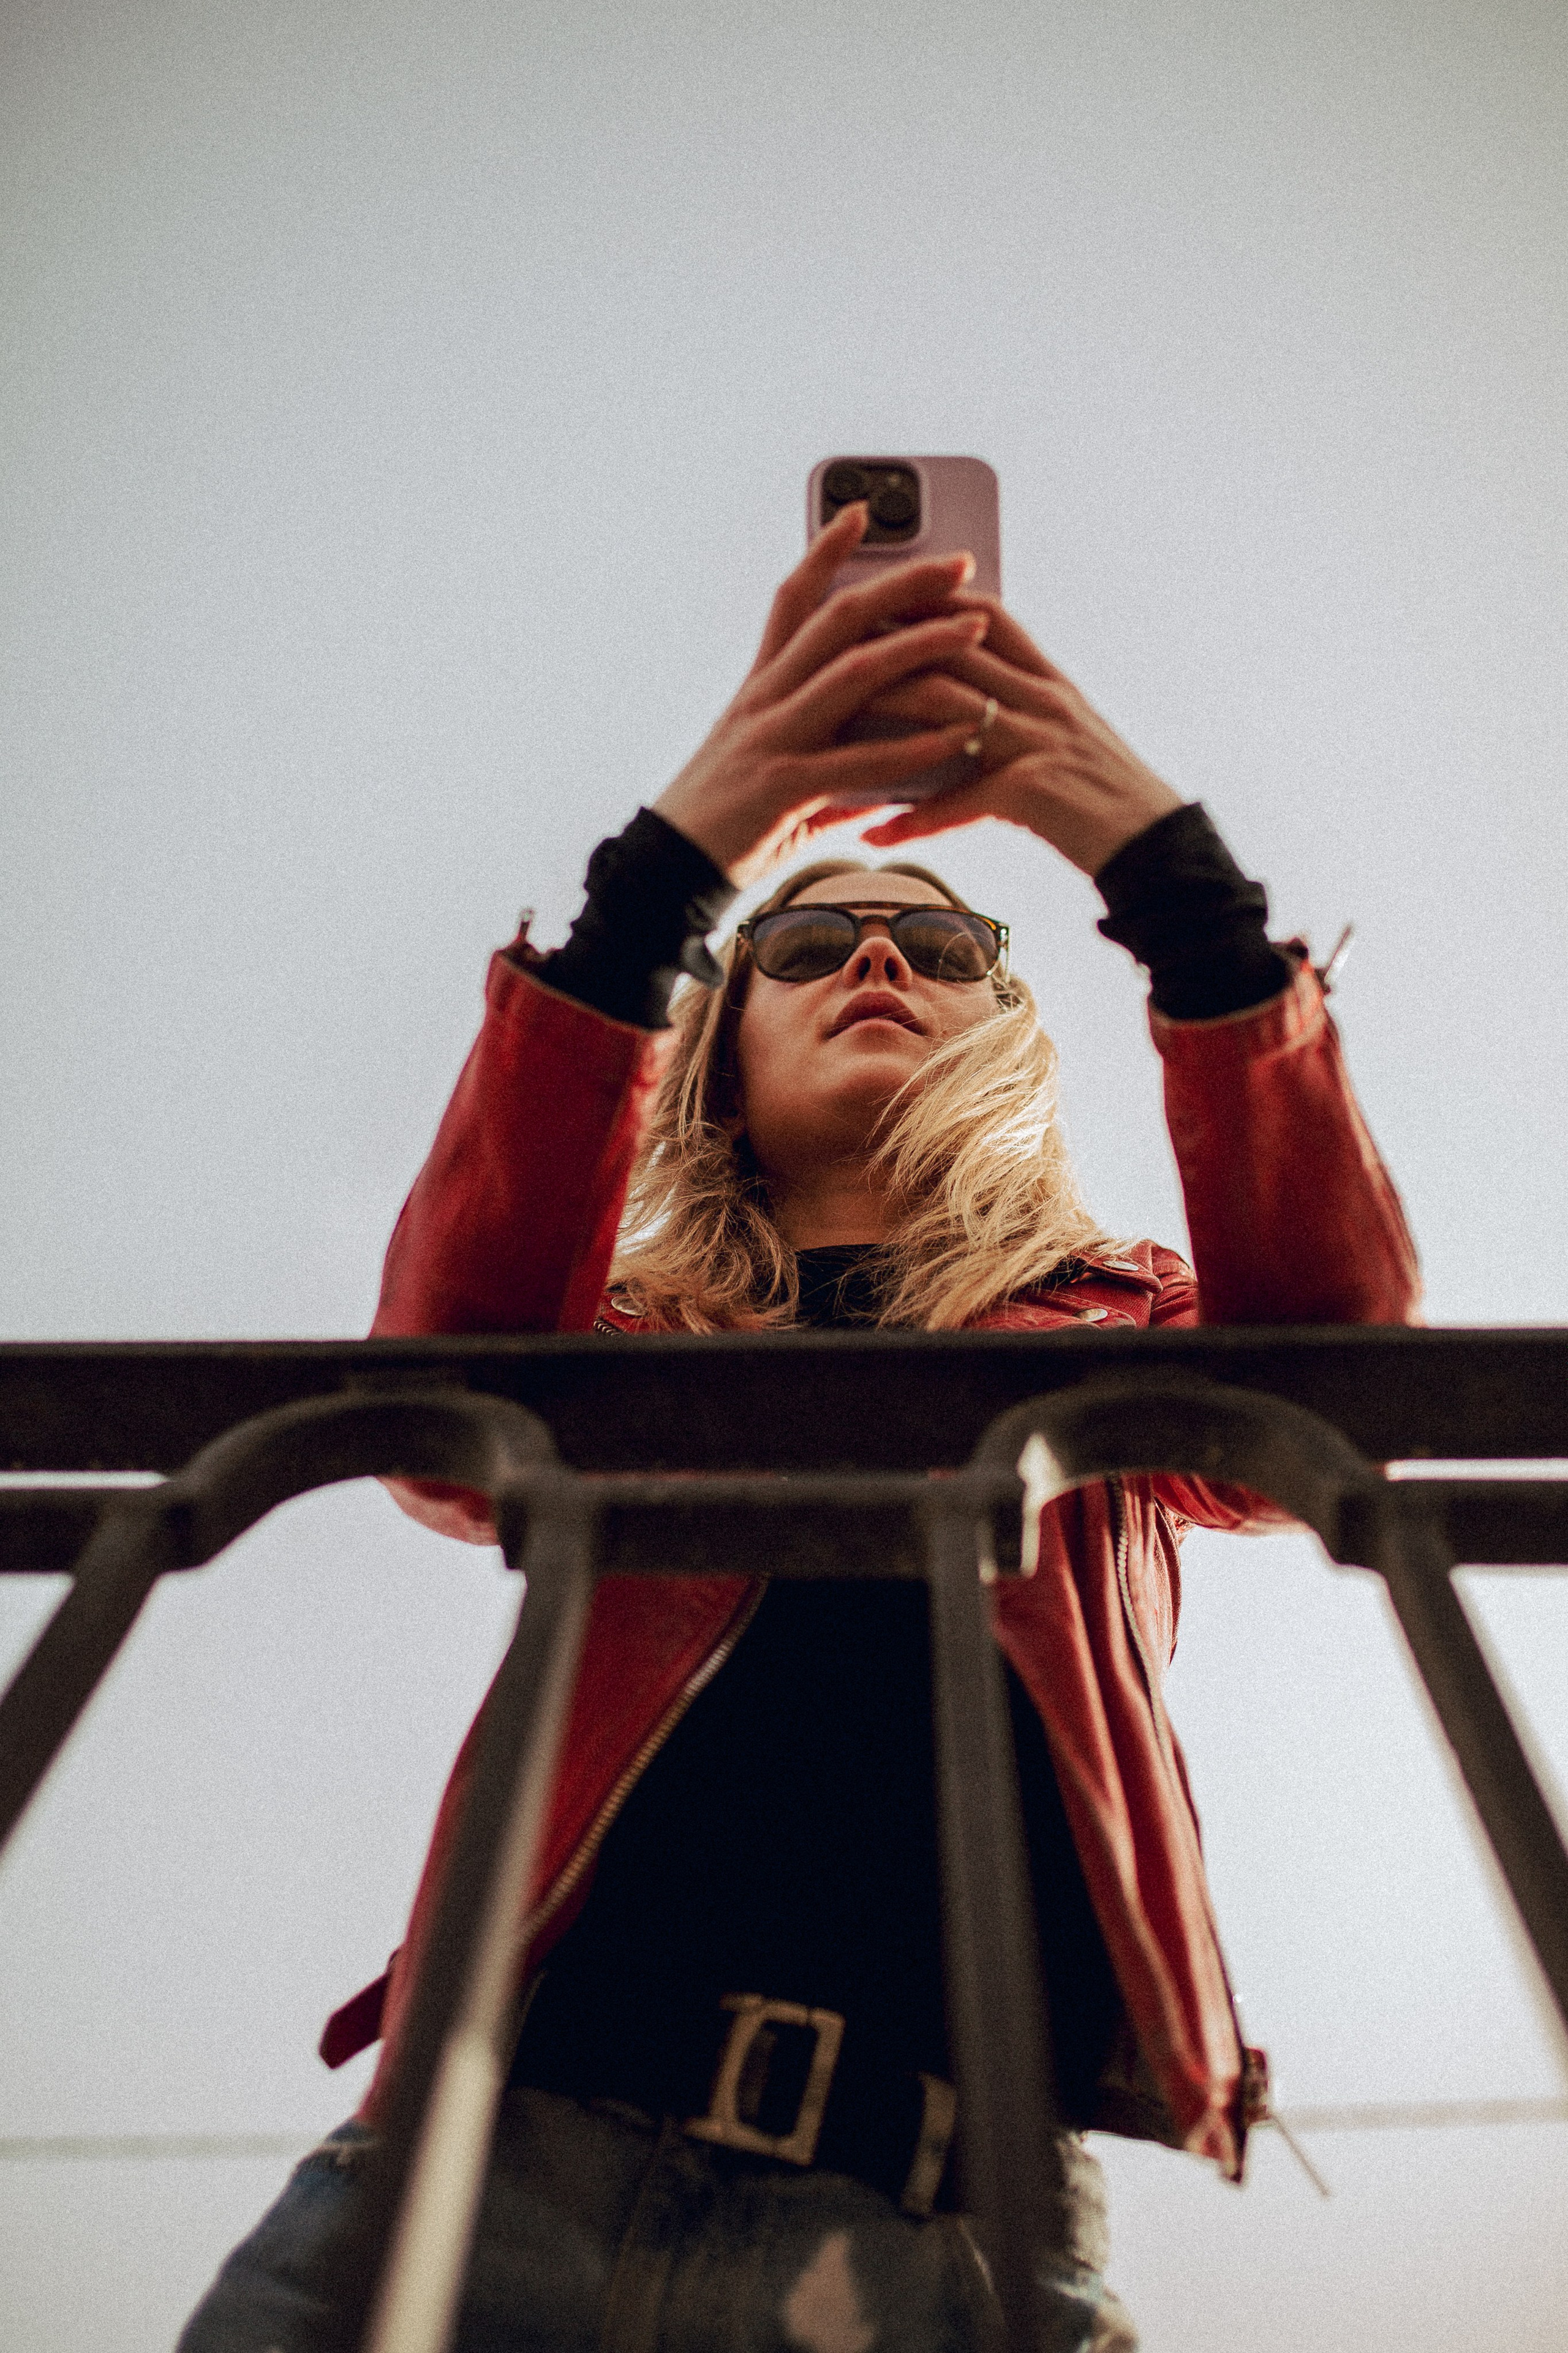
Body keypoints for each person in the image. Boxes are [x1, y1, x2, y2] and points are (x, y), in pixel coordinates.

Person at [179, 500, 1420, 2352]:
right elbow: (443, 1404)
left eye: (945, 941)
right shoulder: (624, 1340)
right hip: (471, 2188)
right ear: (718, 1045)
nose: (874, 957)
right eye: (811, 932)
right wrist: (687, 852)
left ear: (1003, 1032)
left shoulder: (1127, 1323)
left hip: (945, 2240)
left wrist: (1151, 857)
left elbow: (1335, 1385)